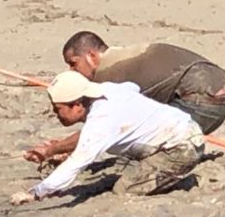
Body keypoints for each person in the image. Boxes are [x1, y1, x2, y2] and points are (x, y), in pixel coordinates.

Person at [24, 31, 225, 166]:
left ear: (91, 56)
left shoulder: (107, 75)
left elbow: (95, 132)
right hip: (219, 91)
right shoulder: (123, 56)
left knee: (139, 147)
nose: (71, 71)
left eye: (73, 64)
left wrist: (52, 149)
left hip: (203, 101)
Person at [11, 71, 205, 205]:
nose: (56, 114)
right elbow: (133, 87)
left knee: (123, 190)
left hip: (181, 147)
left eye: (58, 109)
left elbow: (76, 163)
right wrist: (52, 150)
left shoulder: (101, 120)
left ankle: (179, 182)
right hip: (179, 130)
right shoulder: (107, 89)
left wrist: (36, 192)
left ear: (77, 104)